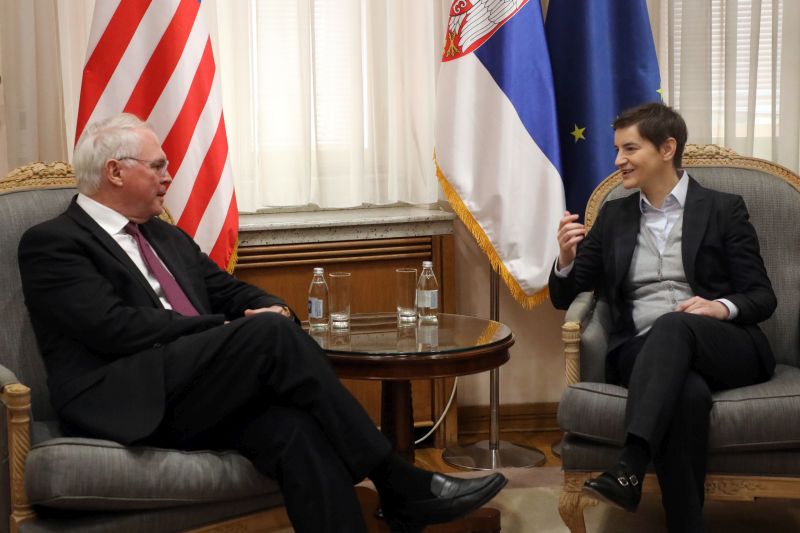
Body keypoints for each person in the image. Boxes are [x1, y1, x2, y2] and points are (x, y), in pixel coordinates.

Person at [18, 113, 506, 533]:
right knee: (266, 335)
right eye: (158, 166)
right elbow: (113, 327)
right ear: (115, 171)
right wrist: (227, 330)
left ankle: (397, 495)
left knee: (294, 430)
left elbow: (232, 291)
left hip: (195, 393)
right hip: (124, 397)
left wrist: (275, 308)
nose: (169, 177)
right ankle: (398, 480)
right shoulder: (55, 242)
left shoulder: (166, 237)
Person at [549, 102, 776, 532]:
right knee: (686, 393)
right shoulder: (614, 216)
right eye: (617, 149)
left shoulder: (724, 209)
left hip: (723, 345)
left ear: (667, 148)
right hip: (641, 351)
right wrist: (564, 258)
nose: (618, 160)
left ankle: (630, 463)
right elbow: (565, 297)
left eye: (629, 148)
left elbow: (762, 297)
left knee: (674, 323)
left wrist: (719, 307)